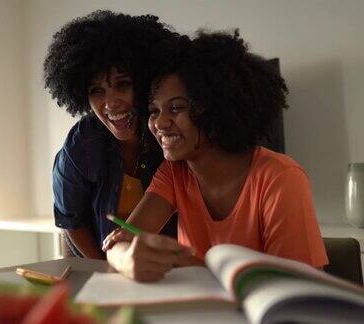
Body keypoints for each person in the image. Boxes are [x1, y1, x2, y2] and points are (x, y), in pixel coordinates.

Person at [103, 30, 328, 281]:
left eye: (176, 108)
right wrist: (127, 257)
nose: (160, 123)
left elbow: (296, 289)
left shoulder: (281, 177)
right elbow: (119, 242)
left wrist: (192, 267)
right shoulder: (174, 173)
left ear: (216, 109)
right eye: (154, 111)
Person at [43, 10, 181, 259]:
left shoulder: (169, 136)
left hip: (165, 270)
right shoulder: (82, 142)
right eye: (97, 90)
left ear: (144, 81)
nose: (110, 103)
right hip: (98, 266)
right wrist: (103, 270)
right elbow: (71, 220)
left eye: (122, 85)